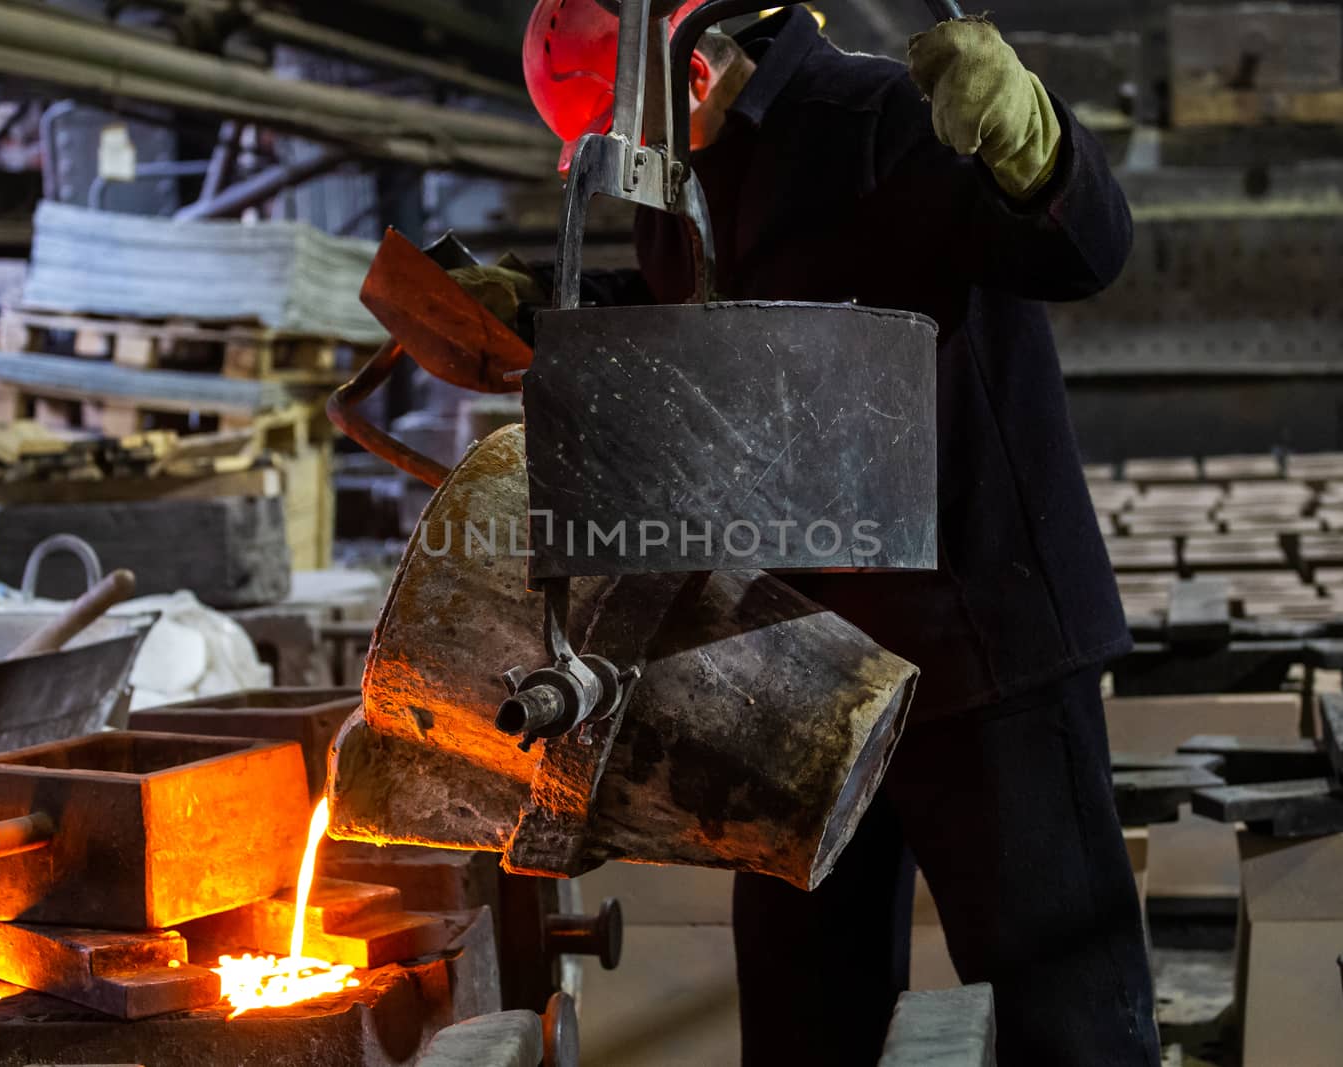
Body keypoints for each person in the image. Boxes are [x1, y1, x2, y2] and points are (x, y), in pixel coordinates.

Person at [459, 6, 1160, 1065]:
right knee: (804, 1013)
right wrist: (544, 314)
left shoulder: (884, 116)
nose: (632, 161)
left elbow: (1081, 249)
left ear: (690, 69)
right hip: (800, 659)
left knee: (1060, 1009)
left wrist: (1038, 144)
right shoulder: (688, 170)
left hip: (980, 647)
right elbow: (693, 314)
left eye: (628, 132)